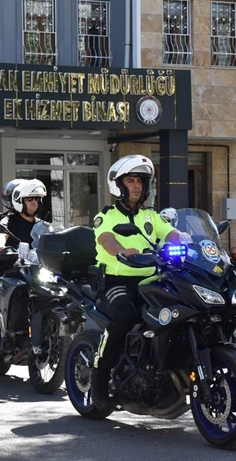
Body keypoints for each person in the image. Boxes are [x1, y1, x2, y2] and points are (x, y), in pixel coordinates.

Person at [90, 155, 181, 410]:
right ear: (118, 185)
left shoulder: (151, 216)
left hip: (151, 280)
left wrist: (184, 241)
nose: (137, 186)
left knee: (176, 314)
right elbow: (106, 239)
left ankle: (164, 372)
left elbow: (171, 233)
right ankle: (99, 374)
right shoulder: (106, 216)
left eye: (140, 181)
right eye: (130, 180)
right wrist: (123, 251)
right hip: (117, 281)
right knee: (125, 316)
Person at [0, 178, 46, 340]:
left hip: (34, 269)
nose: (34, 202)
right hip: (9, 268)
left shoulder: (41, 225)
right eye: (29, 199)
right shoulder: (5, 219)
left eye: (36, 199)